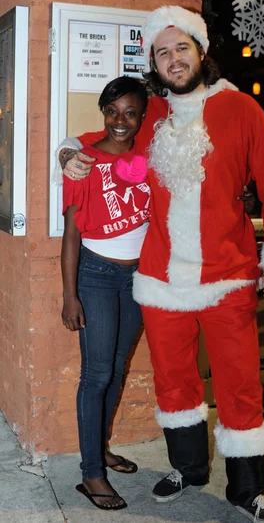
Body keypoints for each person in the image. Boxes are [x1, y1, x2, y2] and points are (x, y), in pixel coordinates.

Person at [58, 6, 264, 523]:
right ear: (155, 62)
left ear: (201, 52)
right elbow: (101, 140)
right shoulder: (151, 118)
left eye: (180, 48)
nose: (173, 59)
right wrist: (66, 153)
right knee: (173, 380)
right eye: (162, 52)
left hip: (228, 275)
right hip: (160, 279)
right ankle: (186, 468)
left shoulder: (241, 108)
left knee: (238, 383)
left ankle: (247, 490)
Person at [60, 76, 149, 510]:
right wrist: (69, 294)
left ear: (141, 118)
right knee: (95, 375)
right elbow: (71, 235)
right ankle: (90, 474)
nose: (120, 120)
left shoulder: (149, 156)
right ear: (103, 113)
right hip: (95, 275)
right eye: (112, 111)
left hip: (137, 278)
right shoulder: (85, 161)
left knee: (116, 367)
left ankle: (102, 449)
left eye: (129, 112)